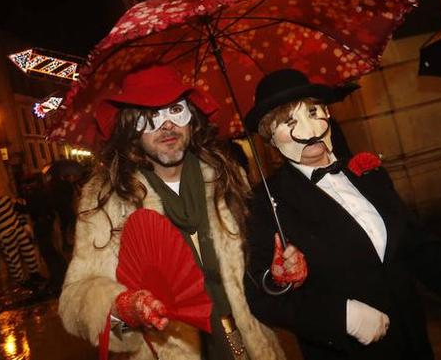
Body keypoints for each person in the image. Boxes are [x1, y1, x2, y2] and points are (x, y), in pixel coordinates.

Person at [243, 68, 441, 360]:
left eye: (312, 112)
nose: (307, 131)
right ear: (269, 138)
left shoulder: (368, 174)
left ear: (327, 113)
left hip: (413, 343)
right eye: (288, 122)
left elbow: (423, 252)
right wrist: (341, 316)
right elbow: (265, 294)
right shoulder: (267, 203)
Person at [58, 65, 285, 360]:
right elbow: (75, 298)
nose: (166, 126)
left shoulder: (227, 179)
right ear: (130, 127)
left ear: (192, 120)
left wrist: (276, 275)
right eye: (150, 117)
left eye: (175, 111)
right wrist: (122, 308)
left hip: (242, 344)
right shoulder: (108, 199)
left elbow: (255, 273)